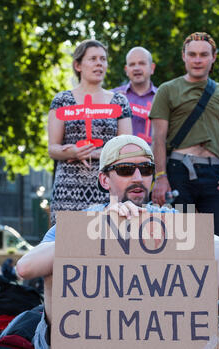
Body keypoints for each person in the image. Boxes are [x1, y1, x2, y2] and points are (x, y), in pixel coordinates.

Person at [16, 135, 219, 349]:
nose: (138, 178)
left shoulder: (166, 217)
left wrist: (157, 234)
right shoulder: (84, 220)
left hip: (157, 337)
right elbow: (26, 267)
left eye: (146, 169)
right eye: (125, 169)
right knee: (56, 260)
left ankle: (179, 347)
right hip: (85, 347)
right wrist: (107, 226)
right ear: (104, 180)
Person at [149, 32, 219, 274]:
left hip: (215, 174)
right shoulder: (168, 90)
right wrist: (160, 177)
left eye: (203, 54)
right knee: (184, 244)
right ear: (184, 57)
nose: (197, 59)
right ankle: (185, 305)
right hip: (179, 171)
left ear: (213, 58)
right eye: (192, 54)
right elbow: (157, 137)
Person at [48, 39, 133, 224]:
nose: (99, 63)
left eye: (103, 59)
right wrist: (72, 152)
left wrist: (95, 154)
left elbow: (127, 148)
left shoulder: (119, 101)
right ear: (78, 65)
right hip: (68, 189)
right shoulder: (62, 100)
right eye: (93, 59)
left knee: (106, 244)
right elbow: (53, 148)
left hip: (107, 186)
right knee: (66, 245)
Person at [113, 47, 157, 140]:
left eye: (142, 63)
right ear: (126, 70)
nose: (136, 68)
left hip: (153, 153)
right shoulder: (113, 96)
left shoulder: (162, 98)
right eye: (132, 64)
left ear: (152, 68)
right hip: (122, 153)